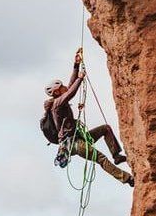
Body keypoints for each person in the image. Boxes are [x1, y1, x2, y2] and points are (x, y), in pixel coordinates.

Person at [43, 48, 134, 187]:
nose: (65, 87)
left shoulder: (59, 101)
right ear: (56, 92)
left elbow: (70, 87)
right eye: (61, 87)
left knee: (105, 129)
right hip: (74, 143)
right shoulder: (57, 104)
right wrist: (80, 78)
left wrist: (76, 65)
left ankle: (117, 156)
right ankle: (127, 179)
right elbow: (71, 92)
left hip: (78, 138)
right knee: (101, 158)